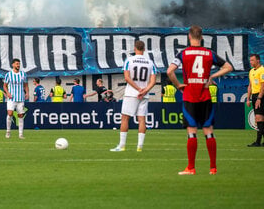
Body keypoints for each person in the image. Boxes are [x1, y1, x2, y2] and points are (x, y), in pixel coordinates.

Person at [167, 25, 233, 175]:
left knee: (192, 132)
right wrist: (212, 76)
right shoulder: (210, 54)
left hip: (190, 96)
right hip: (205, 96)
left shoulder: (183, 54)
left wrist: (178, 85)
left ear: (189, 37)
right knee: (208, 131)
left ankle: (191, 168)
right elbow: (229, 67)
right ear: (202, 38)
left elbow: (169, 71)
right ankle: (213, 168)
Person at [111, 40, 157, 152]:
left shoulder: (129, 60)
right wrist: (145, 90)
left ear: (135, 48)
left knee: (125, 118)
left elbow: (127, 78)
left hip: (132, 93)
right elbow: (153, 81)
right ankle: (139, 147)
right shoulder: (150, 62)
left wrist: (138, 89)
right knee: (142, 120)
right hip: (144, 95)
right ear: (144, 49)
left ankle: (122, 146)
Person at [3, 58, 28, 139]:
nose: (18, 65)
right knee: (10, 114)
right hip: (11, 98)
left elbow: (26, 85)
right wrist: (7, 93)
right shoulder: (8, 75)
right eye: (17, 64)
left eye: (19, 64)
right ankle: (8, 131)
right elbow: (5, 86)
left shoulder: (23, 74)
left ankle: (20, 134)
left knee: (20, 115)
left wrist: (27, 93)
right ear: (13, 65)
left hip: (20, 98)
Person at [247, 53, 264, 146]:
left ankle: (258, 142)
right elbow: (250, 85)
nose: (251, 62)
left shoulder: (262, 70)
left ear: (258, 60)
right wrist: (248, 98)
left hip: (260, 96)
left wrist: (259, 98)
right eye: (250, 60)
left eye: (252, 60)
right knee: (259, 119)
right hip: (254, 96)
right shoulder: (251, 71)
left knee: (259, 119)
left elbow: (263, 85)